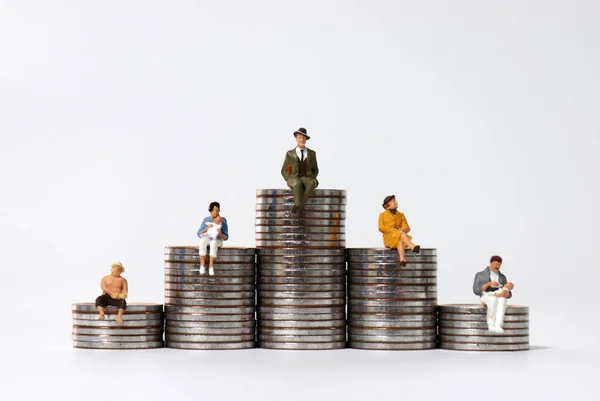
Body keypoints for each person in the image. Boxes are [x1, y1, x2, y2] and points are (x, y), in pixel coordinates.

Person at [281, 127, 319, 214]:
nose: (301, 140)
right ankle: (300, 206)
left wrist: (312, 177)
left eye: (303, 138)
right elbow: (285, 170)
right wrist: (289, 178)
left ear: (306, 139)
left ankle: (298, 205)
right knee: (297, 184)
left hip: (306, 177)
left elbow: (315, 169)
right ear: (296, 139)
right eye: (299, 138)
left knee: (311, 183)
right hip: (294, 177)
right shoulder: (290, 154)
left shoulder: (312, 153)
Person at [473, 255, 514, 333]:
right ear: (491, 263)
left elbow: (508, 291)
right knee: (493, 300)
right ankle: (491, 324)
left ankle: (498, 324)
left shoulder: (502, 277)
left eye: (499, 265)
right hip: (486, 295)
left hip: (498, 295)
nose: (497, 266)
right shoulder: (480, 275)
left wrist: (506, 294)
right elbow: (476, 290)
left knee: (503, 301)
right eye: (495, 264)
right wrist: (488, 284)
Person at [378, 194, 420, 267]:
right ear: (387, 206)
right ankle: (412, 246)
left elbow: (407, 227)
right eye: (393, 201)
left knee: (399, 239)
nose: (396, 202)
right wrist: (391, 230)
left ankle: (402, 259)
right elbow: (381, 227)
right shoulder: (382, 215)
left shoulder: (401, 214)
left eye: (395, 200)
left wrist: (403, 229)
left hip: (400, 237)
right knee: (400, 234)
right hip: (389, 238)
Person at [197, 201, 229, 276]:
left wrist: (220, 233)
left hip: (217, 240)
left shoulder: (223, 220)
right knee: (202, 241)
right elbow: (199, 233)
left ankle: (211, 267)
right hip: (208, 237)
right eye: (214, 210)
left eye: (217, 210)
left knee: (213, 243)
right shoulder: (207, 220)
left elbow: (226, 237)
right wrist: (207, 228)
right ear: (210, 211)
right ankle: (202, 265)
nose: (216, 212)